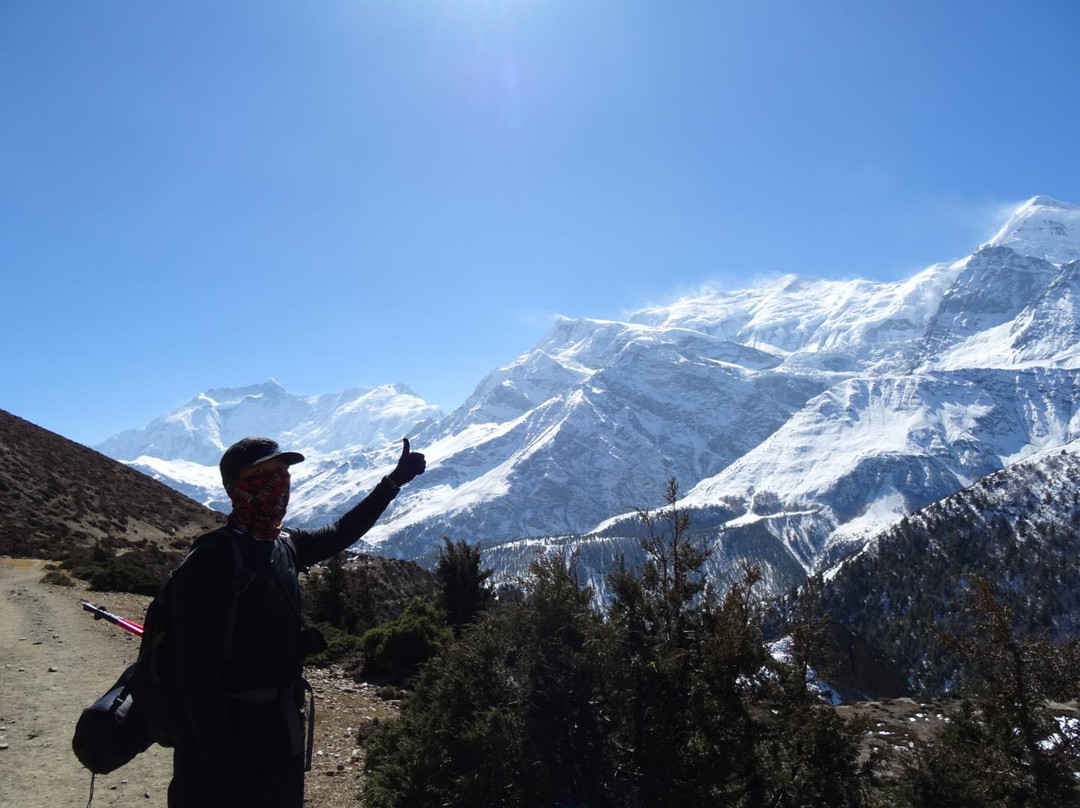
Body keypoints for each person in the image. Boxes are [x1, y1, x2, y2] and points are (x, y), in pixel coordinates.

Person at [166, 435, 426, 808]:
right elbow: (195, 681)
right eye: (265, 472)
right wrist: (225, 772)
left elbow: (341, 532)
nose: (279, 481)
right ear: (236, 486)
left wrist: (392, 483)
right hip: (226, 740)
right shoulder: (210, 561)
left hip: (280, 726)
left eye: (284, 471)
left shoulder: (284, 544)